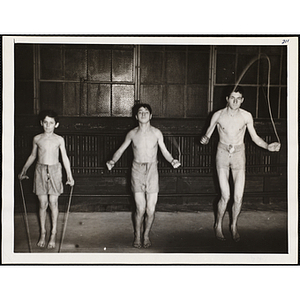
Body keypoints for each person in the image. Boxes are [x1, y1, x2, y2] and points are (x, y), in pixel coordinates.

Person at [200, 86, 280, 242]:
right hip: (222, 154)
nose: (235, 101)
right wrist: (204, 140)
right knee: (225, 195)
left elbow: (255, 138)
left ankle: (234, 225)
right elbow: (207, 135)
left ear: (242, 100)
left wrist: (268, 146)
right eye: (232, 98)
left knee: (238, 197)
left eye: (238, 98)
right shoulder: (218, 115)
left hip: (238, 155)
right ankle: (218, 225)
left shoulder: (246, 116)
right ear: (227, 99)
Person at [106, 103, 181, 248]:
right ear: (136, 116)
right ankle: (137, 235)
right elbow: (121, 150)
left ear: (151, 116)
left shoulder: (157, 133)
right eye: (140, 112)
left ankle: (146, 234)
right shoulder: (132, 134)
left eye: (146, 112)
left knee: (151, 209)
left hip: (152, 170)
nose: (143, 114)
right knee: (140, 208)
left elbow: (164, 151)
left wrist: (172, 160)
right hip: (137, 170)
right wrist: (112, 161)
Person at [18, 110, 74, 249]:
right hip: (40, 170)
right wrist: (24, 169)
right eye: (46, 123)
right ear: (41, 123)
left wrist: (69, 175)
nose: (48, 125)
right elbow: (32, 155)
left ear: (56, 124)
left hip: (55, 170)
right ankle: (43, 232)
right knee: (43, 203)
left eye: (51, 123)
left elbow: (65, 158)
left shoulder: (59, 139)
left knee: (53, 202)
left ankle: (53, 233)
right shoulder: (37, 139)